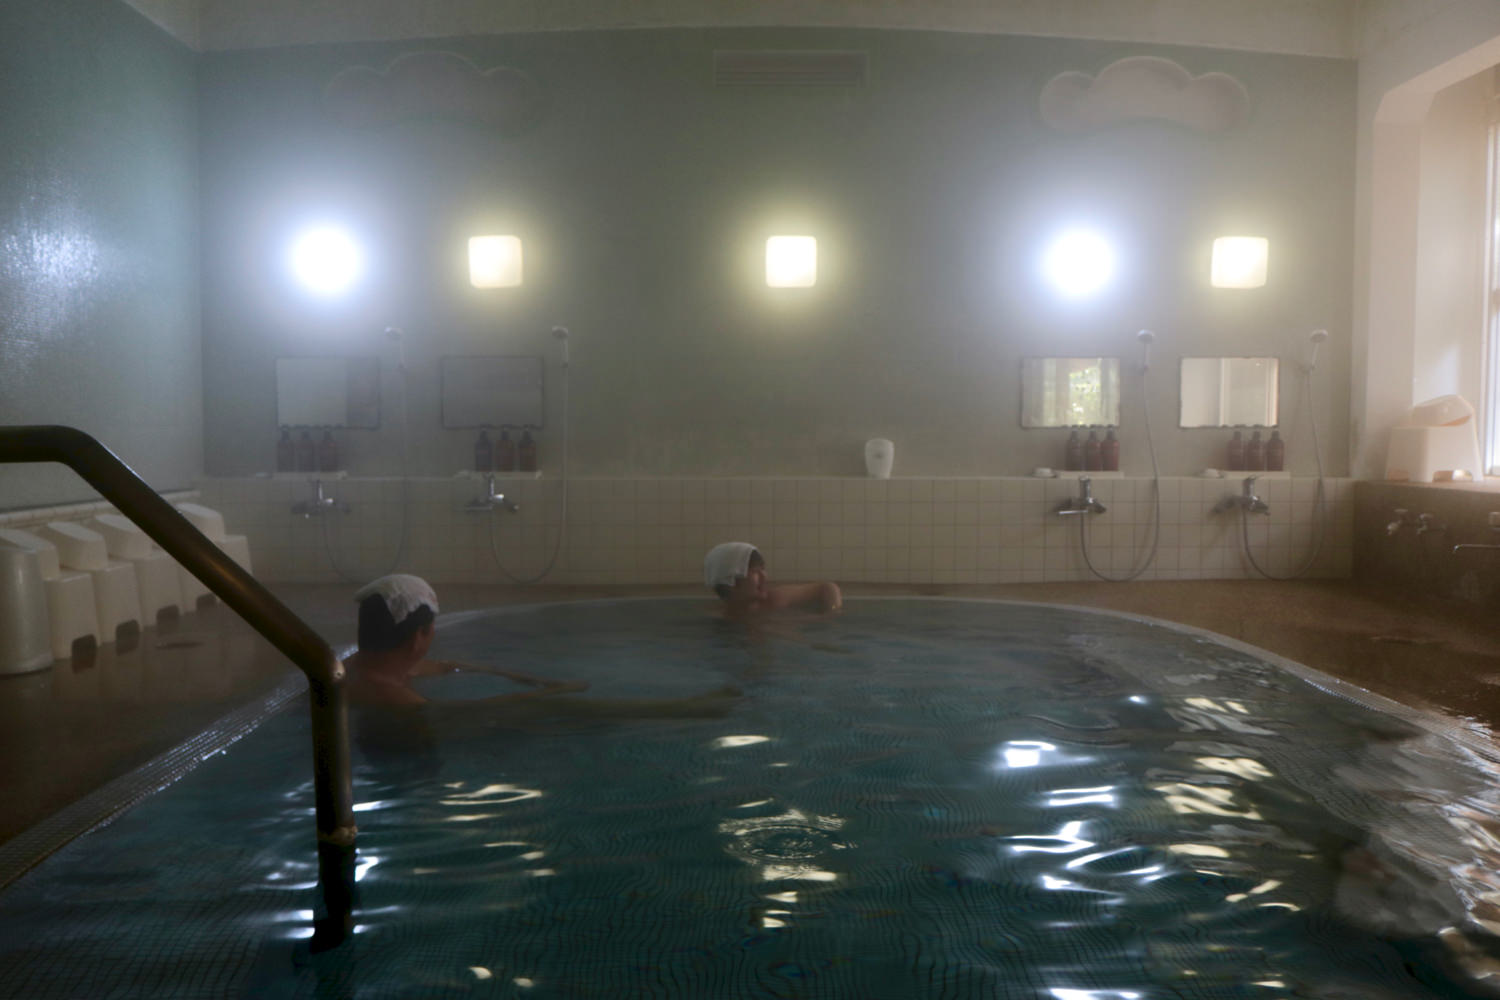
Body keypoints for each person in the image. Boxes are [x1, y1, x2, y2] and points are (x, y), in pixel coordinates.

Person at [346, 574, 738, 716]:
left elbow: (449, 665)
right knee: (557, 714)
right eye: (432, 629)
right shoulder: (396, 700)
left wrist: (531, 680)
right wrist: (543, 698)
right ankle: (672, 711)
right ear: (418, 637)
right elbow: (467, 714)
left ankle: (671, 710)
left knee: (553, 702)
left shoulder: (381, 667)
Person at [704, 542, 842, 619]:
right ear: (731, 581)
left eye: (762, 569)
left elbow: (827, 587)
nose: (764, 576)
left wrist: (830, 615)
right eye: (755, 572)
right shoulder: (718, 618)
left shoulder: (774, 600)